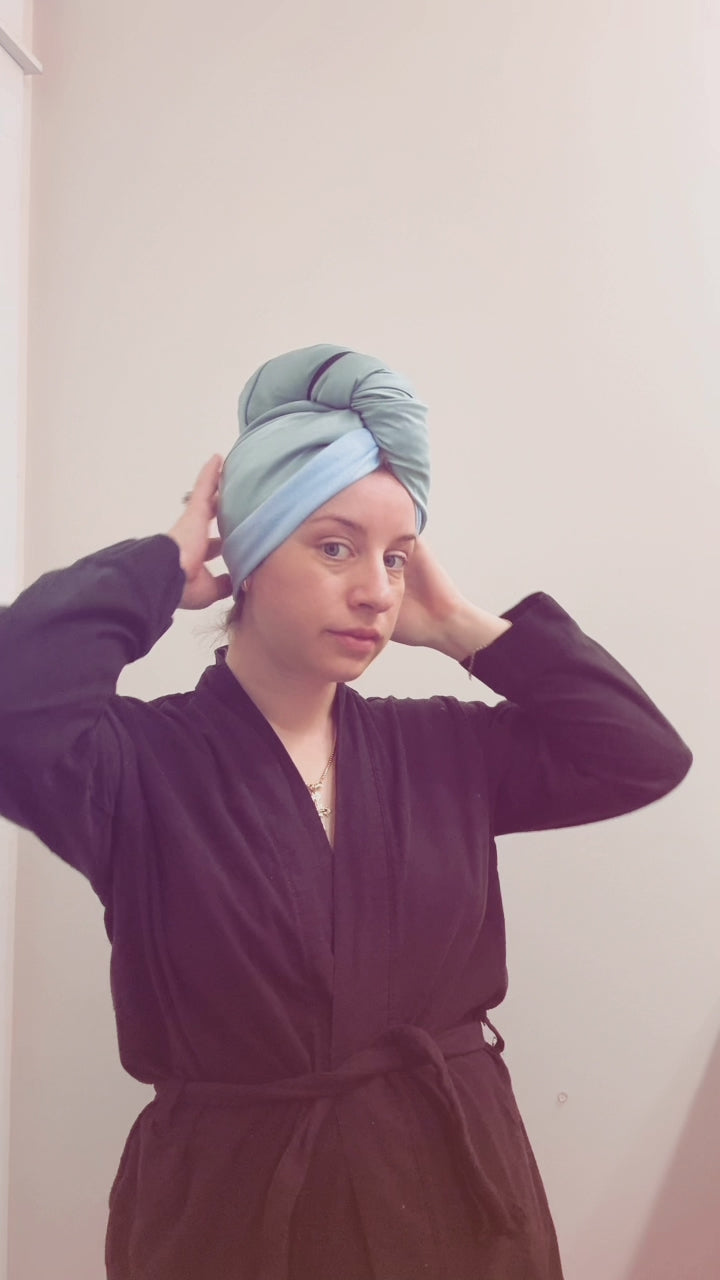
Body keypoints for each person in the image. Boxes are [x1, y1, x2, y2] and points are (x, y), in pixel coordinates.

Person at [0, 344, 692, 1280]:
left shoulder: (444, 750)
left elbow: (641, 755)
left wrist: (464, 629)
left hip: (453, 1201)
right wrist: (160, 568)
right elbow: (13, 702)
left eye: (396, 558)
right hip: (233, 1221)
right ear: (248, 555)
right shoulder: (134, 765)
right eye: (335, 547)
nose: (376, 589)